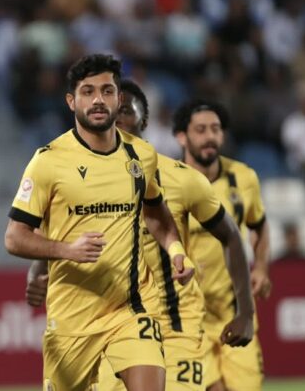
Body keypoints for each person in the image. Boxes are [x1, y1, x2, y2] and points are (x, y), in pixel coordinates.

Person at [25, 79, 255, 391]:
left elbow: (231, 235)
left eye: (124, 111)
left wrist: (246, 312)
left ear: (143, 121)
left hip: (173, 330)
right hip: (111, 324)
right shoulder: (83, 181)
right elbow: (55, 232)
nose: (114, 117)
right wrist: (37, 271)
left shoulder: (181, 180)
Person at [5, 54, 194, 391]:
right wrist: (67, 250)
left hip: (131, 307)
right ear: (71, 101)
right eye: (88, 91)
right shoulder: (48, 162)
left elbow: (156, 213)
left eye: (107, 91)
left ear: (119, 99)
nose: (97, 100)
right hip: (72, 319)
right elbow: (15, 237)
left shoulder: (141, 156)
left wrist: (176, 249)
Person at [172, 99, 272, 391]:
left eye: (215, 129)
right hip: (189, 316)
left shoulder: (244, 178)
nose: (210, 137)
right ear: (182, 137)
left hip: (233, 309)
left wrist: (261, 266)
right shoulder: (168, 182)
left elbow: (259, 225)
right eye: (201, 129)